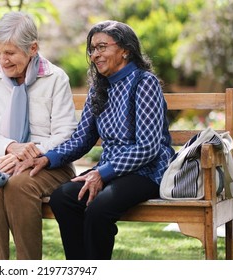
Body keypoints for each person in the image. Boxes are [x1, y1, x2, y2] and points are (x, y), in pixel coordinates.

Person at [17, 20, 175, 260]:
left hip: (147, 171)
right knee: (64, 197)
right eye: (92, 49)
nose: (95, 55)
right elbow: (82, 138)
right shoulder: (99, 88)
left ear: (125, 50)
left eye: (102, 47)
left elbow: (148, 147)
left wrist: (102, 173)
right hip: (109, 170)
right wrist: (47, 159)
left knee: (99, 208)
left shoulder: (145, 83)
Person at [0, 11, 78, 260]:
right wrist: (11, 148)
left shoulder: (55, 78)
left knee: (20, 185)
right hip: (3, 160)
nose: (2, 60)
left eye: (9, 53)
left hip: (49, 163)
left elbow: (66, 132)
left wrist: (32, 152)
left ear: (32, 48)